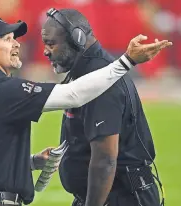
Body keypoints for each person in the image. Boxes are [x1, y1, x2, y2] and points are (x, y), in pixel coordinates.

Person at [0, 15, 171, 206]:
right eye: (7, 39)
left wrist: (31, 162)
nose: (16, 44)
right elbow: (73, 95)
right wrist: (127, 61)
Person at [41, 8, 171, 206]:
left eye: (51, 43)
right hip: (108, 196)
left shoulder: (101, 81)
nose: (45, 51)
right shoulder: (89, 72)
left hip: (121, 197)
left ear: (77, 38)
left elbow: (105, 160)